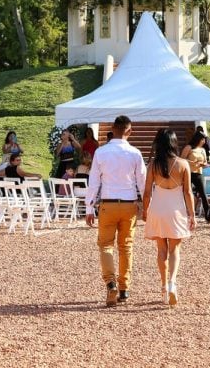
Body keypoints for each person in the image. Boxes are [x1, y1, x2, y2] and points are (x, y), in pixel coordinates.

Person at [85, 115, 146, 307]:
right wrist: (146, 205)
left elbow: (93, 181)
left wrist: (89, 206)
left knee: (105, 245)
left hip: (108, 203)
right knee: (126, 246)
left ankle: (110, 283)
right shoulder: (135, 153)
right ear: (129, 131)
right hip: (129, 203)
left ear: (113, 128)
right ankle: (124, 289)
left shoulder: (101, 152)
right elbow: (142, 182)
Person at [143, 128, 196, 307]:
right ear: (174, 143)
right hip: (176, 210)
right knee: (175, 249)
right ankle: (172, 283)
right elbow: (188, 192)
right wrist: (192, 214)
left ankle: (164, 286)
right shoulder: (183, 164)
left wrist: (145, 210)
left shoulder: (152, 165)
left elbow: (146, 192)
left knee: (161, 249)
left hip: (157, 209)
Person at [180, 131, 210, 223]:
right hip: (188, 173)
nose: (204, 141)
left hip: (199, 173)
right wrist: (191, 162)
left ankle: (209, 217)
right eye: (203, 139)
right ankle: (185, 214)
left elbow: (206, 162)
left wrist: (203, 164)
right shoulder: (189, 147)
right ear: (198, 139)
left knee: (203, 194)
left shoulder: (202, 150)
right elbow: (181, 159)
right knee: (187, 193)